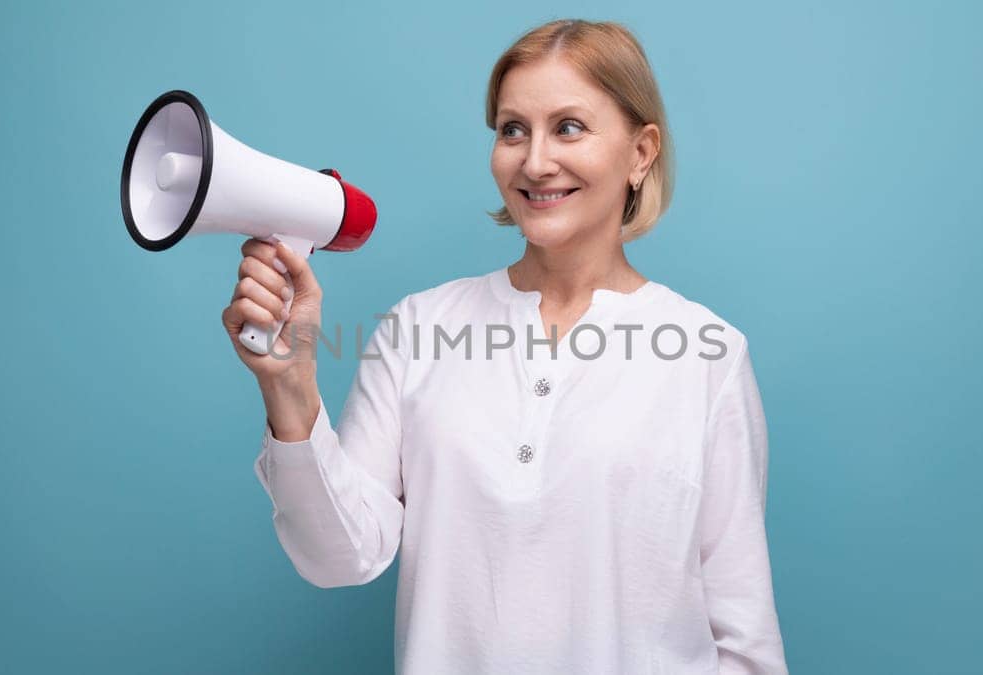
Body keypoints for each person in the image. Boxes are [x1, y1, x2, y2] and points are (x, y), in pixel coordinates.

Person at [222, 19, 788, 674]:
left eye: (568, 126)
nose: (535, 160)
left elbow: (746, 644)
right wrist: (287, 385)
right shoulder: (416, 329)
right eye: (512, 128)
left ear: (640, 152)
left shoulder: (708, 356)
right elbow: (338, 556)